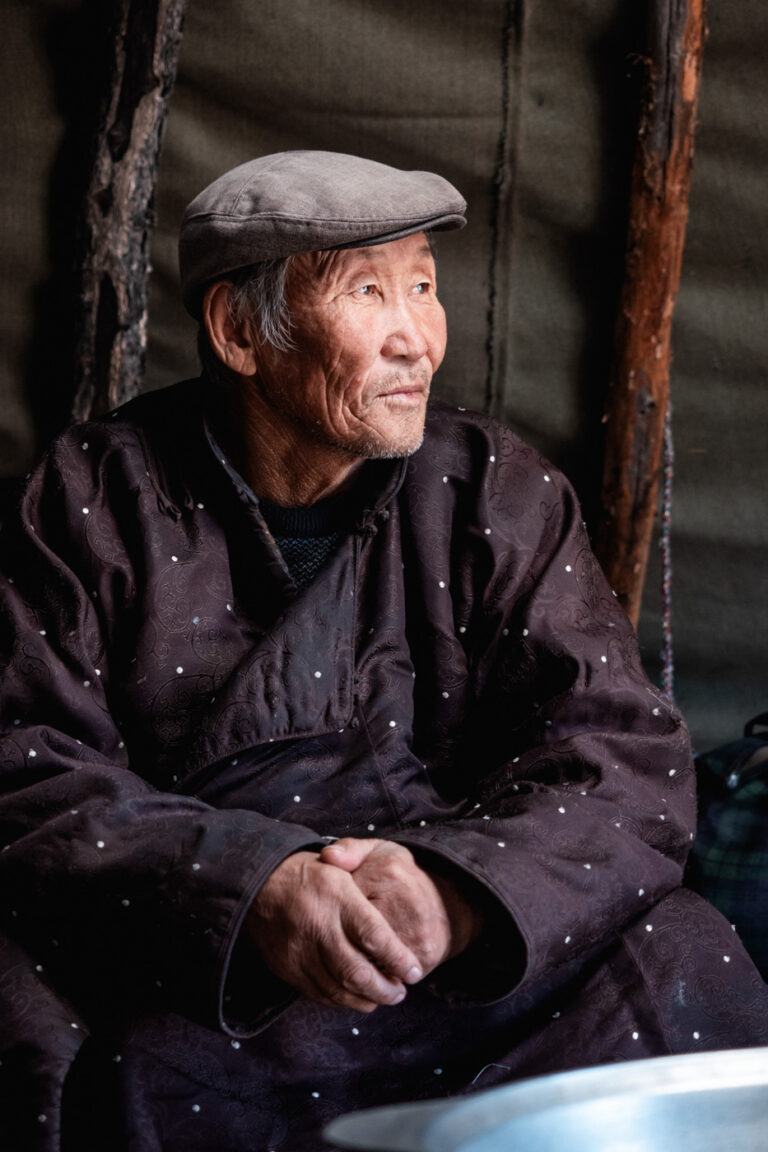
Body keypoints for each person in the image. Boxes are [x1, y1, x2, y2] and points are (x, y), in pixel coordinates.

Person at [0, 151, 765, 1152]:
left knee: (682, 948)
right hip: (208, 966)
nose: (418, 340)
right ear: (240, 332)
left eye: (424, 288)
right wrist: (255, 886)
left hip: (460, 964)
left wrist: (454, 894)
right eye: (370, 293)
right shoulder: (90, 500)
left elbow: (619, 752)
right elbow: (27, 762)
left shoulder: (495, 490)